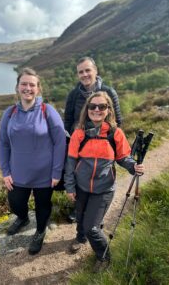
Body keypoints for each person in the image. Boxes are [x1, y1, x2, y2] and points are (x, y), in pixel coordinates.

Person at [64, 91, 144, 272]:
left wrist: (133, 167)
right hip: (81, 185)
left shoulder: (115, 134)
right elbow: (70, 162)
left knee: (92, 227)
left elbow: (124, 157)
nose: (97, 110)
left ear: (108, 109)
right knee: (80, 215)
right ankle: (80, 238)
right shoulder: (79, 133)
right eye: (93, 106)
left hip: (104, 189)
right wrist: (70, 186)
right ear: (87, 109)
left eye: (102, 106)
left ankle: (104, 256)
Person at [0, 67, 66, 255]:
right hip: (17, 172)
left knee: (42, 206)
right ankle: (23, 218)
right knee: (16, 202)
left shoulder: (48, 111)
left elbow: (60, 143)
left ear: (38, 89)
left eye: (32, 85)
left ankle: (40, 231)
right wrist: (5, 171)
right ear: (17, 87)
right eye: (24, 84)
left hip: (45, 173)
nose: (27, 88)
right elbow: (3, 144)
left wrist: (56, 172)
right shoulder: (9, 113)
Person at [64, 56, 122, 223]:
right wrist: (75, 140)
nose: (84, 74)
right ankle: (79, 209)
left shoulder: (109, 92)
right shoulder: (74, 95)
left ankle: (97, 213)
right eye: (80, 72)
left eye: (87, 70)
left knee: (101, 179)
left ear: (95, 71)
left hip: (104, 144)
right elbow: (67, 121)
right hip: (81, 145)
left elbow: (118, 120)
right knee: (81, 178)